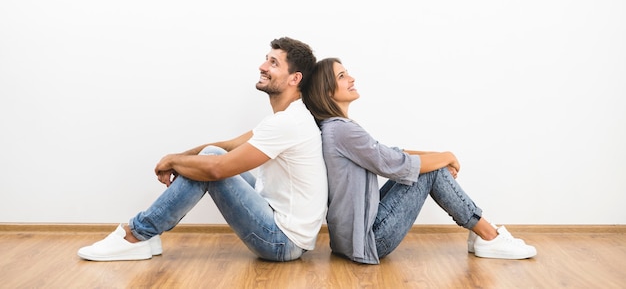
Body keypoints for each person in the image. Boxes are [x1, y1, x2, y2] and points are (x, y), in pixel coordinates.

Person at [78, 37, 327, 262]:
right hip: (282, 226)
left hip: (282, 241)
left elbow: (218, 170)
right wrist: (179, 157)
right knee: (211, 153)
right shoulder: (288, 117)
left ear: (295, 79)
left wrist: (173, 161)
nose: (262, 67)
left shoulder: (287, 123)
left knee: (212, 167)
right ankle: (146, 234)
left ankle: (136, 235)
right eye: (265, 60)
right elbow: (228, 147)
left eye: (273, 63)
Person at [301, 57, 537, 265]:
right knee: (428, 171)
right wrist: (445, 158)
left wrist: (437, 156)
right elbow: (395, 164)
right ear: (327, 91)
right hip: (369, 239)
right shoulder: (342, 131)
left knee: (428, 167)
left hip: (350, 239)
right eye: (342, 76)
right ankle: (488, 236)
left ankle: (480, 234)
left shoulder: (335, 128)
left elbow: (387, 152)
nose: (351, 78)